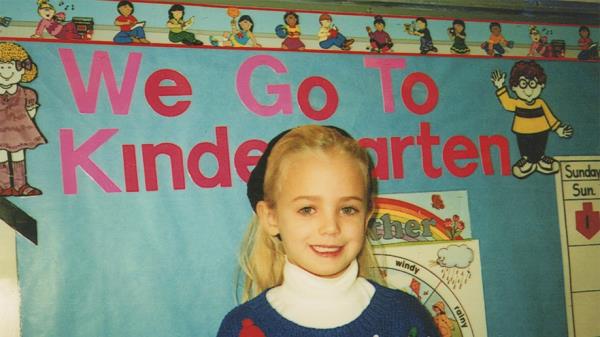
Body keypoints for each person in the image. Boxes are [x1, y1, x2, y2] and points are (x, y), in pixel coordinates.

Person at [217, 125, 439, 336]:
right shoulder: (240, 328)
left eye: (348, 209)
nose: (331, 227)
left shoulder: (406, 317)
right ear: (271, 218)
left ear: (366, 217)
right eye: (307, 209)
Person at [491, 61, 573, 178]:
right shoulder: (518, 103)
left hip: (541, 131)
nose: (528, 91)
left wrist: (558, 129)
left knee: (540, 146)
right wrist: (500, 86)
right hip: (523, 132)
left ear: (541, 85)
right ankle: (527, 161)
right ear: (514, 87)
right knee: (525, 148)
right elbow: (506, 103)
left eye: (533, 84)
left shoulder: (540, 103)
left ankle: (540, 159)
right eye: (523, 84)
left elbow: (550, 116)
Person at [0, 42, 46, 196]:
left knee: (18, 155)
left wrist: (25, 126)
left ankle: (21, 186)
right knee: (1, 156)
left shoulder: (27, 93)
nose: (6, 72)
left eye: (11, 67)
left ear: (22, 71)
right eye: (2, 67)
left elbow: (31, 113)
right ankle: (4, 185)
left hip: (19, 130)